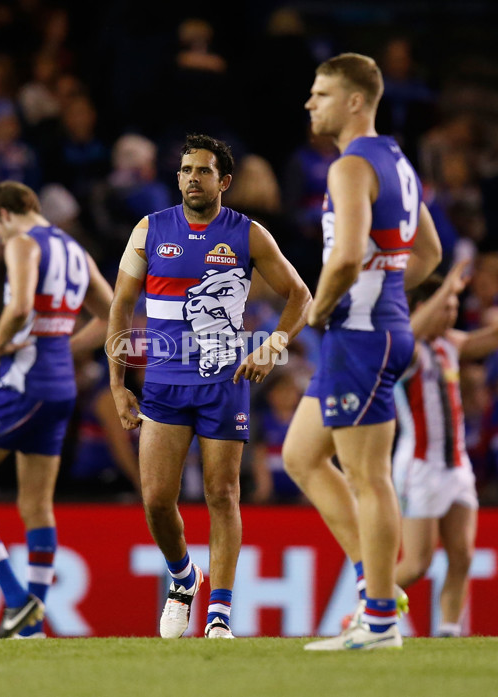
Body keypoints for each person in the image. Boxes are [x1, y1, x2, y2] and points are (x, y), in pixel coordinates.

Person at [107, 133, 311, 639]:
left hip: (224, 381)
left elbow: (300, 296)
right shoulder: (150, 230)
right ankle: (183, 577)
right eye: (184, 170)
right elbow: (121, 306)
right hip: (164, 382)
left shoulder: (248, 234)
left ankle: (219, 615)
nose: (191, 178)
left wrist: (271, 346)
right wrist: (118, 383)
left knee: (223, 494)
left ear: (224, 181)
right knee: (156, 498)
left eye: (202, 170)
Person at [282, 53, 442, 650]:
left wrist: (318, 311)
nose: (310, 104)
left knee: (368, 476)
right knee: (302, 455)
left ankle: (378, 621)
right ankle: (375, 586)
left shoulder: (350, 167)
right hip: (374, 329)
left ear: (354, 101)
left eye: (320, 94)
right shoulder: (395, 160)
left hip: (360, 335)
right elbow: (427, 251)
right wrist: (388, 289)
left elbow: (346, 257)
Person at [0, 181, 113, 638]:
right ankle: (31, 626)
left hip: (24, 384)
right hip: (60, 387)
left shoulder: (22, 243)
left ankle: (18, 602)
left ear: (5, 215)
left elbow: (18, 307)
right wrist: (66, 346)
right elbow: (113, 314)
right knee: (35, 503)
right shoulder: (74, 250)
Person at [393, 261, 493, 637]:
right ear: (419, 308)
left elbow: (487, 338)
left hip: (456, 466)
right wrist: (445, 286)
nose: (451, 312)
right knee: (417, 563)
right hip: (419, 467)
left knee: (462, 556)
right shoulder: (406, 349)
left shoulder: (448, 346)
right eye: (444, 305)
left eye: (453, 306)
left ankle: (450, 632)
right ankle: (366, 609)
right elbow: (410, 333)